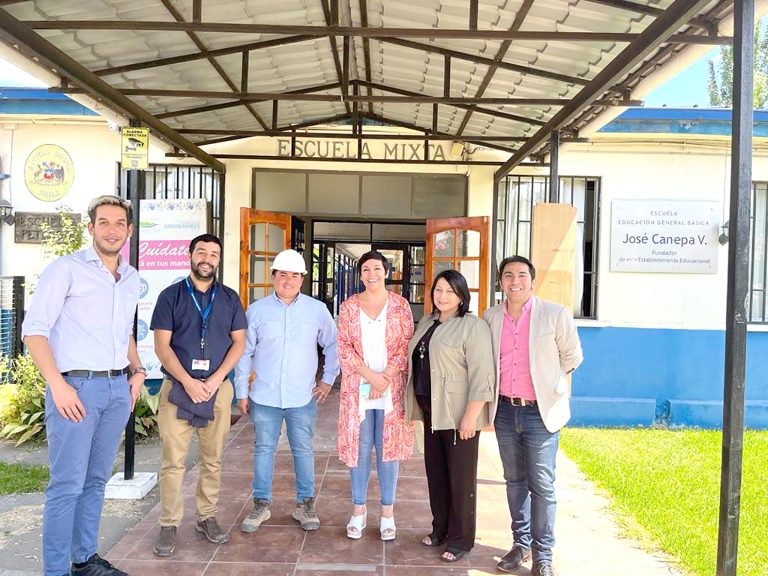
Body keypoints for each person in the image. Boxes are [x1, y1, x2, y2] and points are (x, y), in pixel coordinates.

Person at [22, 195, 146, 576]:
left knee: (95, 481)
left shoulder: (130, 278)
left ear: (128, 230)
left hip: (115, 390)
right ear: (91, 228)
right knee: (66, 486)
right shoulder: (66, 270)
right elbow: (34, 332)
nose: (112, 229)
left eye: (119, 223)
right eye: (104, 222)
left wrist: (137, 370)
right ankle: (56, 570)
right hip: (75, 388)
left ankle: (84, 560)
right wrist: (57, 385)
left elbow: (123, 330)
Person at [483, 256, 583, 576]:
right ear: (500, 282)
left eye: (522, 275)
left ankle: (543, 555)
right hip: (504, 410)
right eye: (508, 275)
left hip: (540, 413)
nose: (515, 281)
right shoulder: (490, 317)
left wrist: (548, 384)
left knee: (542, 485)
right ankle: (520, 544)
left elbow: (572, 357)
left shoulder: (555, 315)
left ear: (532, 281)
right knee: (514, 481)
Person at [149, 233, 247, 556]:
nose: (207, 258)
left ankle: (206, 517)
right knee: (173, 461)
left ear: (219, 260)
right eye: (201, 252)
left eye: (214, 254)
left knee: (213, 459)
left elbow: (239, 344)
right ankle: (169, 523)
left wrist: (217, 379)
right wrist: (188, 381)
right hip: (177, 388)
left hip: (217, 391)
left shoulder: (231, 299)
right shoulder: (170, 296)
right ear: (190, 255)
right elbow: (162, 347)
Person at [235, 248, 340, 533]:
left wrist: (328, 379)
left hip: (301, 396)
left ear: (303, 279)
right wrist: (241, 391)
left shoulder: (316, 310)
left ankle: (305, 504)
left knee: (303, 450)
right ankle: (261, 504)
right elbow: (244, 353)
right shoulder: (256, 311)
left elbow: (333, 344)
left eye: (295, 275)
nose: (288, 280)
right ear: (273, 277)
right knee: (263, 449)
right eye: (283, 275)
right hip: (264, 397)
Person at [405, 269, 495, 563]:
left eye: (450, 291)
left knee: (460, 480)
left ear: (461, 296)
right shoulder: (428, 321)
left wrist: (471, 417)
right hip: (432, 412)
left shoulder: (473, 326)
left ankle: (460, 540)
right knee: (437, 475)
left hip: (458, 416)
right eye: (438, 290)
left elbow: (483, 375)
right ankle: (440, 528)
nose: (442, 296)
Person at [337, 251, 414, 541]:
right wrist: (371, 377)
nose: (372, 273)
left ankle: (387, 515)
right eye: (366, 269)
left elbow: (405, 344)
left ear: (386, 272)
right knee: (359, 449)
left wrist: (385, 379)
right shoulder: (348, 307)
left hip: (391, 391)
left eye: (377, 268)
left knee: (388, 450)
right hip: (358, 389)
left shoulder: (400, 305)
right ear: (360, 274)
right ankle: (358, 512)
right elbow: (344, 346)